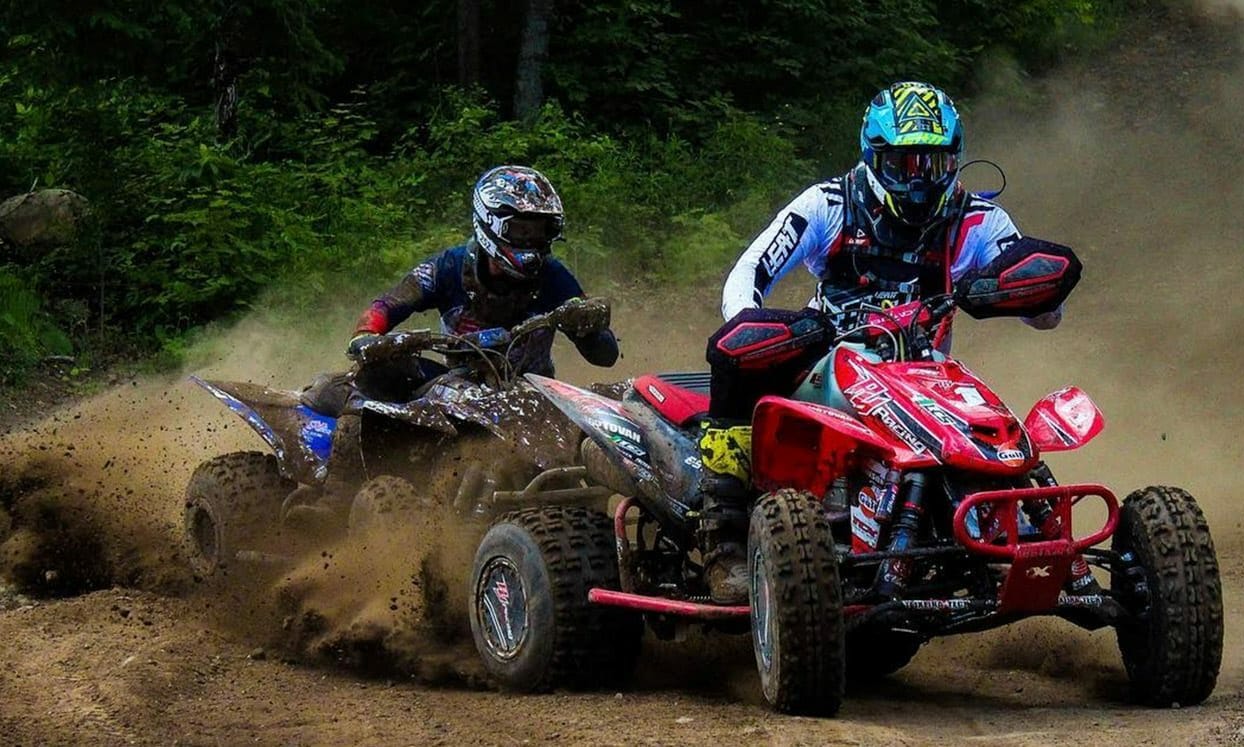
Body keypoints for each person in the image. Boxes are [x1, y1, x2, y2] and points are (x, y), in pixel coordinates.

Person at [697, 81, 1065, 603]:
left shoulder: (977, 219)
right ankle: (726, 538)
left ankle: (1012, 528)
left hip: (926, 374)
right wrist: (754, 325)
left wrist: (1029, 295)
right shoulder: (828, 203)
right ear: (874, 157)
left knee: (992, 430)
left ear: (954, 161)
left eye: (932, 165)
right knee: (737, 366)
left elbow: (1045, 313)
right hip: (826, 361)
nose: (919, 182)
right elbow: (749, 272)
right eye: (904, 164)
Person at [293, 165, 619, 526]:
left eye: (540, 230)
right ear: (491, 223)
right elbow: (387, 305)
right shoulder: (449, 267)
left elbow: (604, 356)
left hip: (532, 392)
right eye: (521, 229)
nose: (531, 239)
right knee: (369, 387)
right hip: (458, 385)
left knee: (592, 439)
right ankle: (334, 501)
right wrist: (366, 337)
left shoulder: (553, 277)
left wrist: (588, 326)